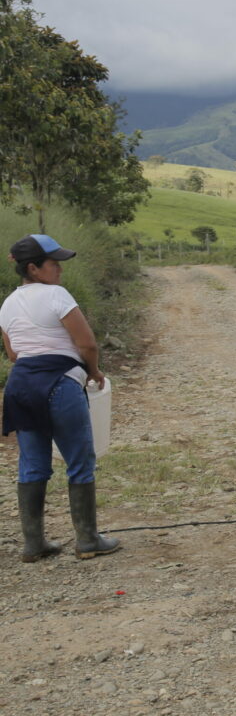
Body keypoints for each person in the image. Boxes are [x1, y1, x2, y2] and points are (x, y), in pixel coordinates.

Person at [1, 234, 120, 562]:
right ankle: (87, 540)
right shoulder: (57, 295)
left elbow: (13, 354)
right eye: (54, 264)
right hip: (60, 383)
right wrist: (93, 372)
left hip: (21, 387)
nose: (60, 270)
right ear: (34, 269)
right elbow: (88, 344)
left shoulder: (8, 304)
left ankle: (33, 545)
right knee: (80, 462)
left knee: (33, 464)